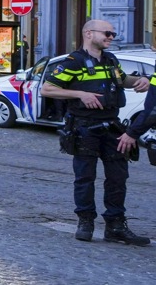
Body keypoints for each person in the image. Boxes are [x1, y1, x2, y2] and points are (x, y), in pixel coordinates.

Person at [41, 19, 151, 245]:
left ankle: (116, 226)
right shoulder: (74, 62)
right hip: (84, 128)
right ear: (89, 34)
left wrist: (140, 81)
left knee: (118, 178)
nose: (111, 37)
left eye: (113, 34)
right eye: (107, 33)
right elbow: (47, 88)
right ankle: (85, 222)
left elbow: (121, 80)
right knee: (85, 178)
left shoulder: (110, 59)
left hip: (111, 126)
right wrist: (80, 94)